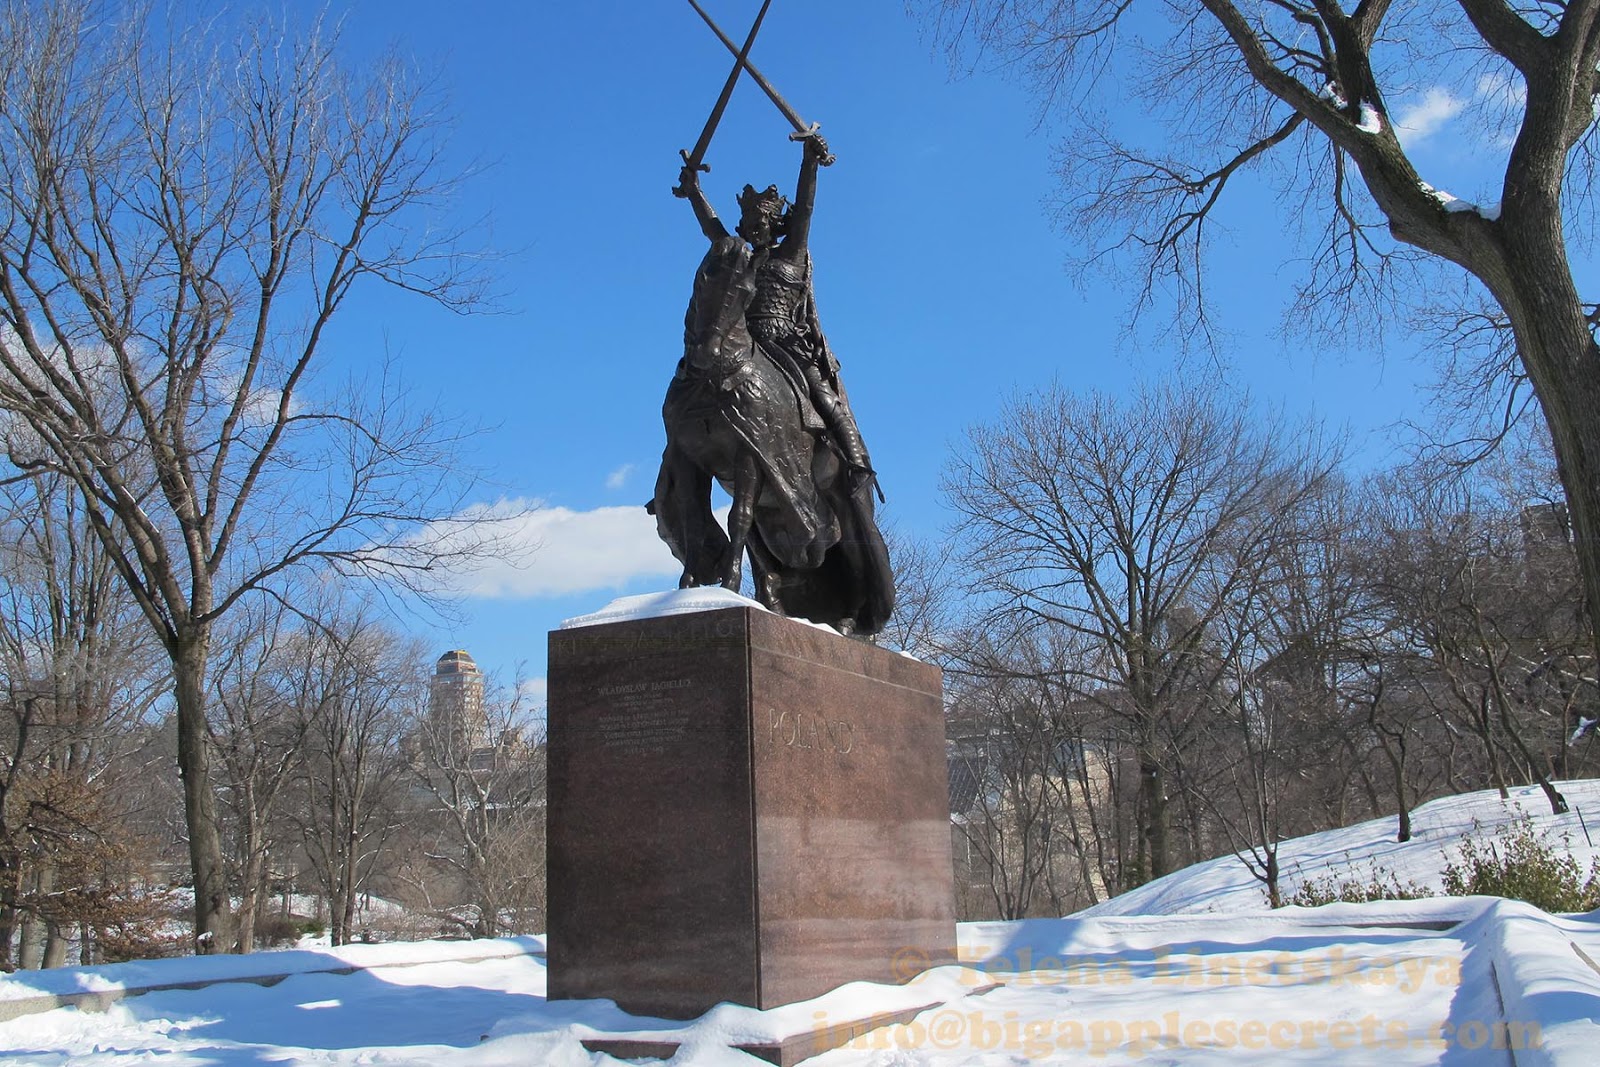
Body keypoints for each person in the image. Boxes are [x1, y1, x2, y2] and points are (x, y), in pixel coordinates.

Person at [674, 133, 876, 495]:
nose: (755, 225)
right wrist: (695, 193)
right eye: (750, 219)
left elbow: (807, 209)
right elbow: (712, 230)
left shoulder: (791, 253)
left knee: (821, 394)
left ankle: (857, 459)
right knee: (689, 382)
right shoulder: (741, 258)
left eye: (763, 219)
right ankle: (679, 467)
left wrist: (809, 162)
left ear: (777, 223)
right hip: (743, 341)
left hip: (784, 340)